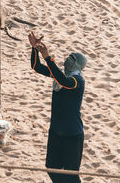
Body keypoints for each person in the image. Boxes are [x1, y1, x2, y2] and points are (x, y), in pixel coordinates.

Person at [28, 31, 87, 183]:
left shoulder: (77, 81)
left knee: (71, 177)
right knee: (51, 167)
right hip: (55, 131)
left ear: (78, 66)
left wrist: (48, 57)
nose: (68, 61)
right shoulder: (60, 75)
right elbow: (36, 67)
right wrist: (35, 49)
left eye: (72, 59)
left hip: (73, 135)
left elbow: (63, 82)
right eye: (68, 57)